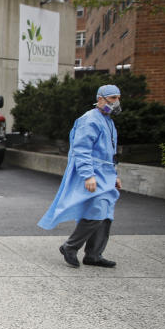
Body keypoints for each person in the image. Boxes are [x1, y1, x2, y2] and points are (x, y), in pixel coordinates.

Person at [38, 84, 123, 268]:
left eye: (118, 98)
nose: (116, 102)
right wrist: (88, 175)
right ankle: (70, 246)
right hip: (94, 173)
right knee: (97, 210)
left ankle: (93, 254)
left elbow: (110, 152)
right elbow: (81, 150)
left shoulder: (107, 121)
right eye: (113, 98)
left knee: (105, 214)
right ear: (100, 99)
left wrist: (114, 175)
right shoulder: (89, 120)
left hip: (105, 174)